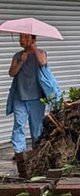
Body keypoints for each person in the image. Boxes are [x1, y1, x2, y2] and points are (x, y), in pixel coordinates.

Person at [6, 33, 47, 176]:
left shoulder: (41, 53)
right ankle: (20, 159)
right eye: (20, 38)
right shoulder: (17, 56)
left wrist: (34, 50)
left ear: (33, 40)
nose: (21, 40)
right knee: (19, 125)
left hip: (36, 98)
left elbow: (43, 63)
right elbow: (11, 73)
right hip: (20, 97)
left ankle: (36, 159)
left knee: (37, 129)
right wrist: (20, 62)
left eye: (25, 38)